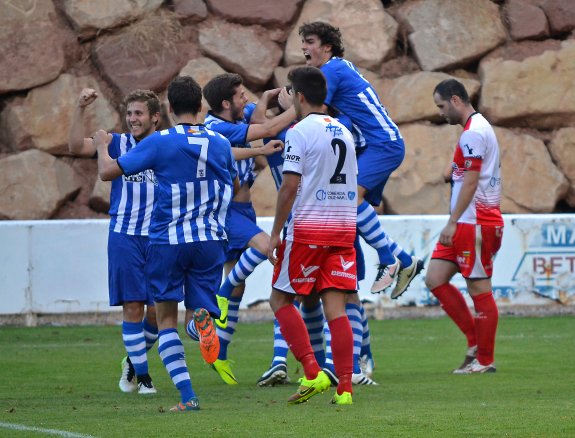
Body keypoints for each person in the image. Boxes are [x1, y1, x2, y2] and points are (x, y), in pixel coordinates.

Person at [94, 75, 238, 411]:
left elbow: (108, 172)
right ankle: (200, 319)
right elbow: (231, 178)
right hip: (210, 239)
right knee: (198, 307)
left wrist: (102, 146)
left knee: (165, 318)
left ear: (169, 108)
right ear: (202, 106)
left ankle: (188, 397)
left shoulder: (160, 142)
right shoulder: (219, 142)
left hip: (168, 238)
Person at [283, 22, 424, 298]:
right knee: (352, 214)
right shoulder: (341, 68)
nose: (304, 47)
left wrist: (284, 106)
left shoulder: (331, 71)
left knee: (349, 199)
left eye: (310, 41)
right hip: (376, 144)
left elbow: (313, 109)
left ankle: (387, 258)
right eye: (304, 42)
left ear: (327, 47)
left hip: (380, 144)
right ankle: (404, 261)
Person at [268, 65, 357, 405]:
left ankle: (311, 371)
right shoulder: (343, 131)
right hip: (343, 229)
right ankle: (345, 388)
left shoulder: (299, 131)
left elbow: (289, 186)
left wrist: (276, 232)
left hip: (309, 230)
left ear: (300, 96)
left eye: (289, 91)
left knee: (280, 299)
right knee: (336, 309)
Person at [68, 88, 161, 395]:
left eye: (139, 114)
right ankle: (145, 379)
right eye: (130, 113)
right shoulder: (116, 142)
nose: (133, 119)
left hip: (160, 238)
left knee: (159, 313)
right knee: (133, 306)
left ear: (155, 118)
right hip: (124, 236)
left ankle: (133, 362)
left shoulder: (166, 145)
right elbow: (73, 146)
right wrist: (79, 109)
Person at [202, 73, 293, 384]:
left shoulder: (237, 116)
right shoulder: (215, 127)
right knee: (272, 248)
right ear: (226, 103)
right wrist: (305, 104)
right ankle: (219, 298)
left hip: (244, 209)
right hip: (224, 211)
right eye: (241, 96)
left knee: (238, 283)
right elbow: (265, 129)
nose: (246, 99)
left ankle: (219, 354)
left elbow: (258, 117)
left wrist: (270, 97)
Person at [426, 79, 503, 374]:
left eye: (442, 106)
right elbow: (461, 172)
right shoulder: (473, 131)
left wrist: (452, 221)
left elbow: (471, 180)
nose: (441, 112)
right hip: (467, 222)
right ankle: (474, 343)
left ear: (456, 100)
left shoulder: (474, 133)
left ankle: (485, 360)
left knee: (479, 287)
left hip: (475, 223)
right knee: (435, 277)